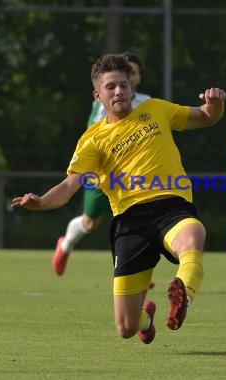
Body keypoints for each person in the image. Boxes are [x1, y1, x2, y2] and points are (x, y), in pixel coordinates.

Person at [12, 53, 226, 344]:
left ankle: (183, 295)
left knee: (193, 237)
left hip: (171, 207)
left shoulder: (155, 109)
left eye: (123, 85)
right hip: (130, 222)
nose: (119, 91)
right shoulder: (93, 139)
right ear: (97, 94)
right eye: (111, 87)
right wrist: (41, 202)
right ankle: (145, 318)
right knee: (126, 327)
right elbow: (71, 183)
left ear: (131, 87)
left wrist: (216, 104)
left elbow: (205, 118)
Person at [53, 52, 152, 277]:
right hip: (102, 171)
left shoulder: (147, 103)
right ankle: (65, 244)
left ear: (136, 78)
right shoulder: (104, 102)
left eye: (133, 72)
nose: (130, 76)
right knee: (90, 223)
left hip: (132, 174)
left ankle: (133, 266)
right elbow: (95, 133)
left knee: (139, 215)